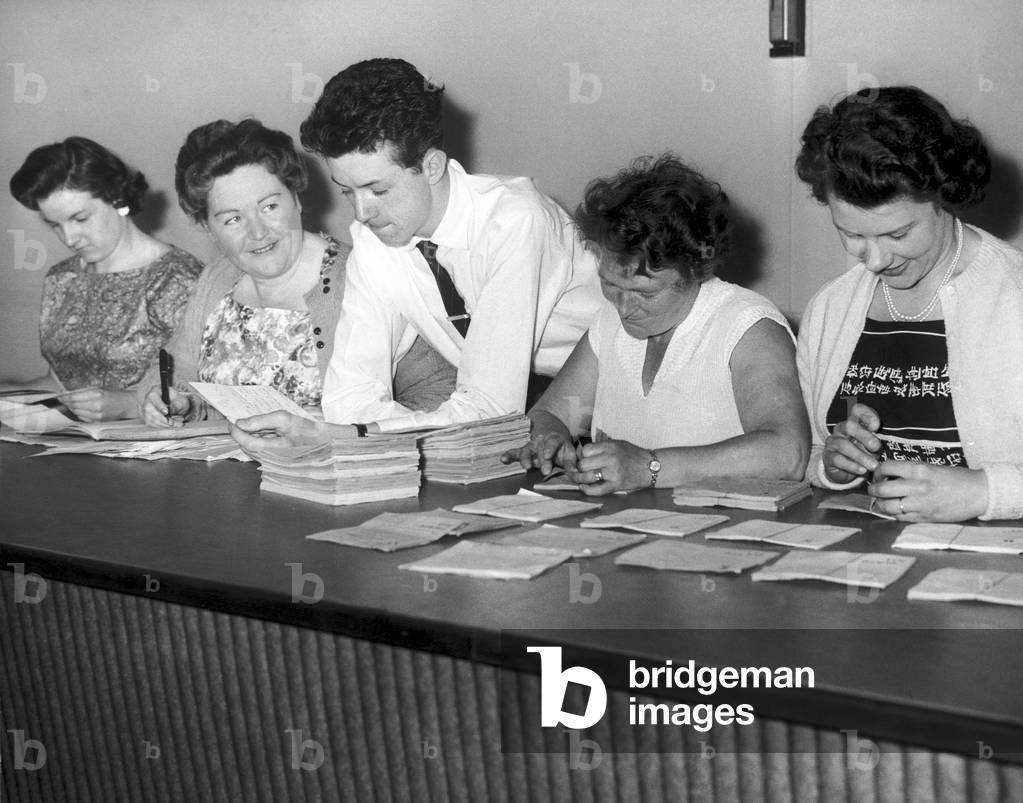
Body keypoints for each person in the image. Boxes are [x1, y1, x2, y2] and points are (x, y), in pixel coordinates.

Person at [231, 58, 604, 445]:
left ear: (431, 166)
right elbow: (349, 397)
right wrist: (363, 431)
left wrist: (359, 433)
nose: (361, 213)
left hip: (614, 406)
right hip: (523, 422)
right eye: (347, 191)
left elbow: (492, 409)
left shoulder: (514, 221)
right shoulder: (376, 241)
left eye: (378, 190)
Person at [503, 154, 809, 495]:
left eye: (644, 294)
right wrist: (549, 440)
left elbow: (787, 453)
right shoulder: (609, 326)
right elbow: (550, 415)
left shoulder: (747, 327)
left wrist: (649, 467)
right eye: (611, 285)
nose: (623, 307)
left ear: (697, 270)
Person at [795, 85, 1023, 522]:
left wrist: (985, 492)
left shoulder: (1013, 296)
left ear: (943, 198)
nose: (875, 260)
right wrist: (832, 465)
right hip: (865, 563)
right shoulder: (831, 308)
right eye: (852, 234)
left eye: (897, 235)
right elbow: (809, 455)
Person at [140, 119, 454, 426]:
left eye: (269, 207)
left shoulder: (363, 276)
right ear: (207, 228)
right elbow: (174, 368)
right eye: (232, 219)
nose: (258, 232)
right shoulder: (217, 278)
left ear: (296, 199)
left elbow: (439, 393)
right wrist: (175, 401)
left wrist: (349, 428)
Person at [7, 137, 203, 421]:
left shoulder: (178, 278)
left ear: (118, 199)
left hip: (155, 450)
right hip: (72, 445)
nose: (70, 238)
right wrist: (9, 395)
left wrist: (128, 403)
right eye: (55, 225)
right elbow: (61, 384)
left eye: (80, 218)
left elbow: (203, 392)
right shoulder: (62, 278)